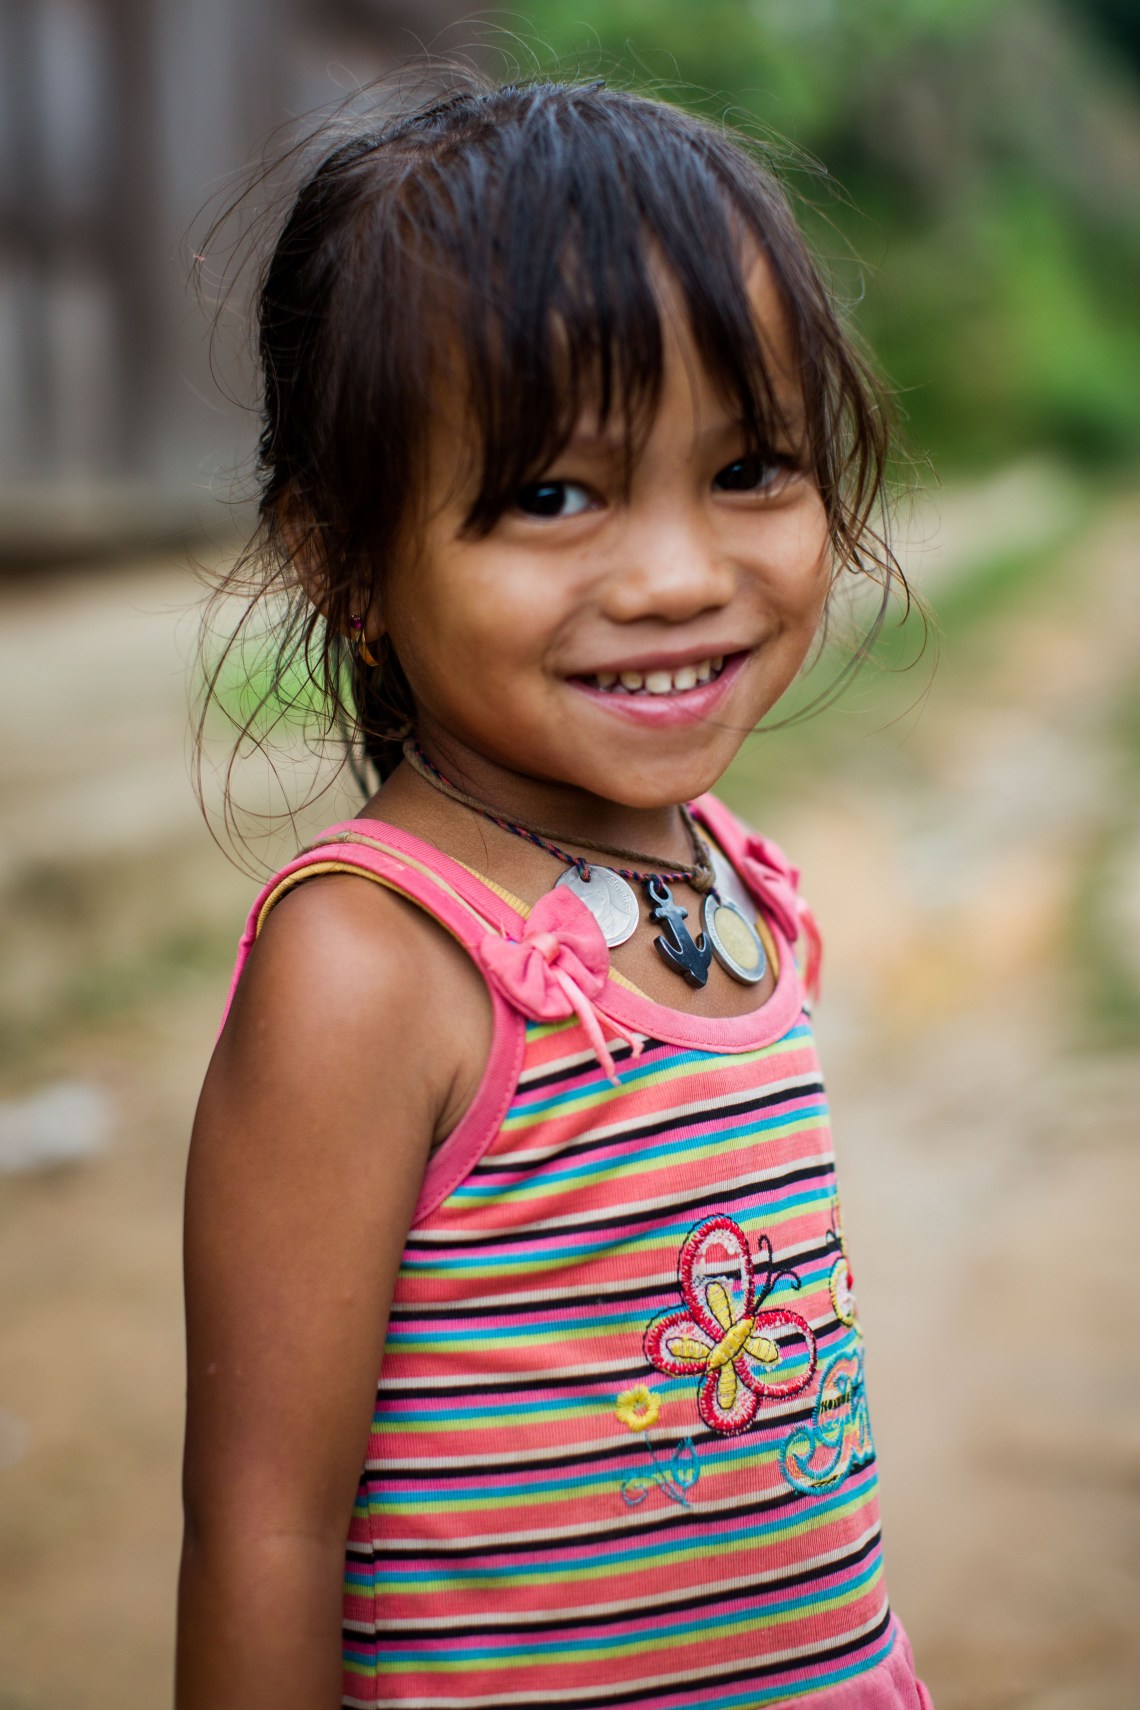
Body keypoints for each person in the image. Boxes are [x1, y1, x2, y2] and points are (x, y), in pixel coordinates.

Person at [177, 77, 934, 1710]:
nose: (675, 575)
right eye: (551, 495)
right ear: (345, 560)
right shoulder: (375, 963)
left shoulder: (724, 864)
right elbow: (263, 1536)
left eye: (749, 468)